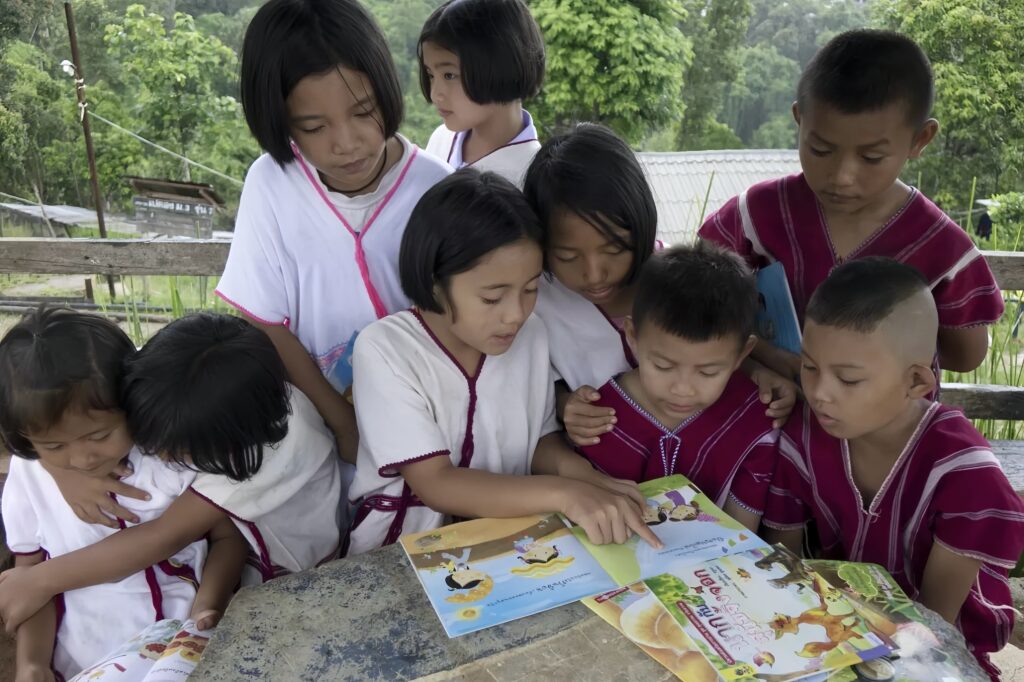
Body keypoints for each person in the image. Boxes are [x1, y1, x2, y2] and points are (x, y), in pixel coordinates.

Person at [346, 169, 661, 555]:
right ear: (434, 281)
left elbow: (540, 442)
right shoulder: (385, 349)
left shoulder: (531, 335)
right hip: (404, 548)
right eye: (493, 298)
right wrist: (567, 493)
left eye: (530, 290)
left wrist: (589, 479)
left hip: (513, 542)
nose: (515, 314)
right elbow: (436, 484)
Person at [0, 314, 343, 638]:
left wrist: (39, 581)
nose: (159, 453)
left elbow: (165, 536)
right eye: (57, 445)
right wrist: (58, 469)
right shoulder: (199, 384)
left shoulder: (275, 444)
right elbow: (63, 386)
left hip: (299, 576)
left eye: (177, 449)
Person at [761, 258, 1024, 679]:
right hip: (827, 638)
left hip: (935, 658)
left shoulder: (967, 475)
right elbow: (784, 564)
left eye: (847, 379)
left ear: (917, 382)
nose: (819, 394)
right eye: (809, 367)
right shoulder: (802, 439)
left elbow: (932, 626)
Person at [216, 0, 452, 466]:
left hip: (435, 424)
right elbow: (267, 323)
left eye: (364, 112)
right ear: (280, 123)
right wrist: (340, 423)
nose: (346, 143)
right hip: (322, 429)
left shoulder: (437, 188)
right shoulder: (271, 185)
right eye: (313, 126)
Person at [699, 29, 1003, 385]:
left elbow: (966, 355)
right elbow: (695, 304)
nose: (842, 176)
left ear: (920, 139)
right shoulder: (754, 216)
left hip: (884, 437)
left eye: (871, 157)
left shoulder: (941, 247)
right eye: (820, 150)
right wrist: (762, 358)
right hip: (769, 419)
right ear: (800, 120)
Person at [0, 308, 245, 680]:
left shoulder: (169, 456)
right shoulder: (30, 475)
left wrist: (207, 608)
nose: (82, 458)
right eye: (54, 446)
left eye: (99, 436)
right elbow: (28, 584)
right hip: (79, 656)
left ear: (132, 401)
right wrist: (31, 663)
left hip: (179, 642)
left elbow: (229, 536)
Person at [524, 123, 795, 446]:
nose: (594, 274)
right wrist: (565, 404)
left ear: (642, 223)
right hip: (605, 467)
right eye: (567, 257)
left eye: (615, 249)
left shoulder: (676, 280)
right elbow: (533, 383)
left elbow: (708, 344)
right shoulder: (536, 301)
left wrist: (753, 372)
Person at [575, 243, 777, 532]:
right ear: (632, 336)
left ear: (742, 355)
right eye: (663, 366)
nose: (683, 389)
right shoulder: (599, 417)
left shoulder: (753, 420)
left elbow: (741, 535)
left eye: (708, 372)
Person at [419, 0, 544, 186]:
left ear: (499, 66)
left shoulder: (534, 176)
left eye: (449, 75)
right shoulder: (441, 139)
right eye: (430, 75)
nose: (435, 94)